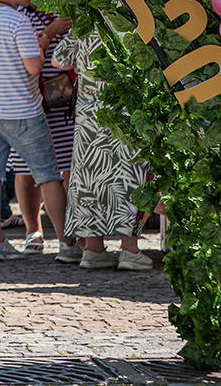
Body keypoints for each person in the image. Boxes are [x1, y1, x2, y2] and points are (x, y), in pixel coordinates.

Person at [0, 0, 74, 262]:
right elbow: (33, 67)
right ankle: (67, 244)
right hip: (24, 110)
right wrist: (45, 41)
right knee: (48, 177)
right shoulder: (18, 21)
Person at [56, 32, 153, 271]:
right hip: (126, 113)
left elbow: (58, 59)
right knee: (131, 180)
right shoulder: (131, 21)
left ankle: (93, 249)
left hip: (90, 117)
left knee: (91, 181)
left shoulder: (84, 24)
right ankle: (130, 250)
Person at [11, 4, 76, 257]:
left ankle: (72, 228)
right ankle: (33, 230)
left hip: (64, 98)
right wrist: (49, 32)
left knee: (70, 164)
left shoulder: (66, 4)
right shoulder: (20, 13)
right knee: (26, 168)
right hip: (31, 98)